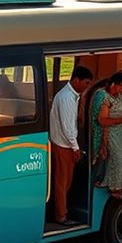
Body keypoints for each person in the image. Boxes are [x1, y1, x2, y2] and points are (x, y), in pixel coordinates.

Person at [49, 66, 93, 225]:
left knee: (64, 182)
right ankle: (61, 215)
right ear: (76, 80)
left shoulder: (70, 96)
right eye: (86, 82)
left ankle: (61, 211)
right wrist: (75, 147)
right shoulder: (67, 98)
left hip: (64, 143)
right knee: (63, 182)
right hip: (63, 146)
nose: (87, 86)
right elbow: (68, 127)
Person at [95, 72, 122, 199]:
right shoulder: (106, 99)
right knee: (118, 158)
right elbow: (102, 120)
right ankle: (113, 187)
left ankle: (118, 186)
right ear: (113, 84)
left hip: (120, 133)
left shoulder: (120, 97)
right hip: (110, 133)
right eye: (121, 86)